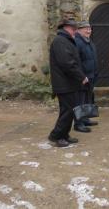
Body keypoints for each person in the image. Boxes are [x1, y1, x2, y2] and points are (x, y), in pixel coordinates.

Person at [48, 19, 88, 147]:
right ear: (65, 27)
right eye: (73, 28)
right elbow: (67, 63)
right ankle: (56, 136)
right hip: (64, 84)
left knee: (69, 110)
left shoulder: (66, 40)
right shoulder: (60, 41)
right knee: (67, 111)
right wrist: (81, 77)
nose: (75, 31)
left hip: (69, 84)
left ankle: (64, 134)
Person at [74, 21, 99, 132]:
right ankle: (78, 124)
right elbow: (76, 61)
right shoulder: (77, 42)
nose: (89, 31)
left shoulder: (88, 41)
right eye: (86, 29)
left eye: (90, 29)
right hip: (83, 77)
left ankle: (85, 119)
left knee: (88, 99)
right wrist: (82, 76)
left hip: (91, 75)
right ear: (79, 30)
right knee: (80, 100)